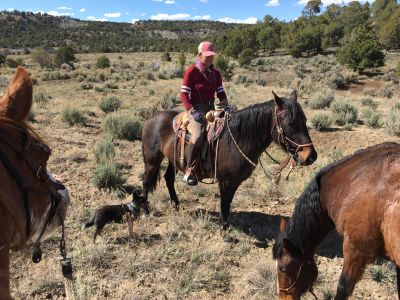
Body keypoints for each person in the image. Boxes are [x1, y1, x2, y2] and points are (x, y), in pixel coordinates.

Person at [180, 41, 231, 186]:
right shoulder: (191, 71)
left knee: (227, 129)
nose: (210, 58)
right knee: (197, 136)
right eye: (206, 56)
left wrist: (225, 104)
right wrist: (191, 110)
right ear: (200, 54)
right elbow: (184, 94)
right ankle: (189, 170)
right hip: (195, 109)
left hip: (212, 108)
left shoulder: (216, 73)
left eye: (211, 56)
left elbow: (220, 92)